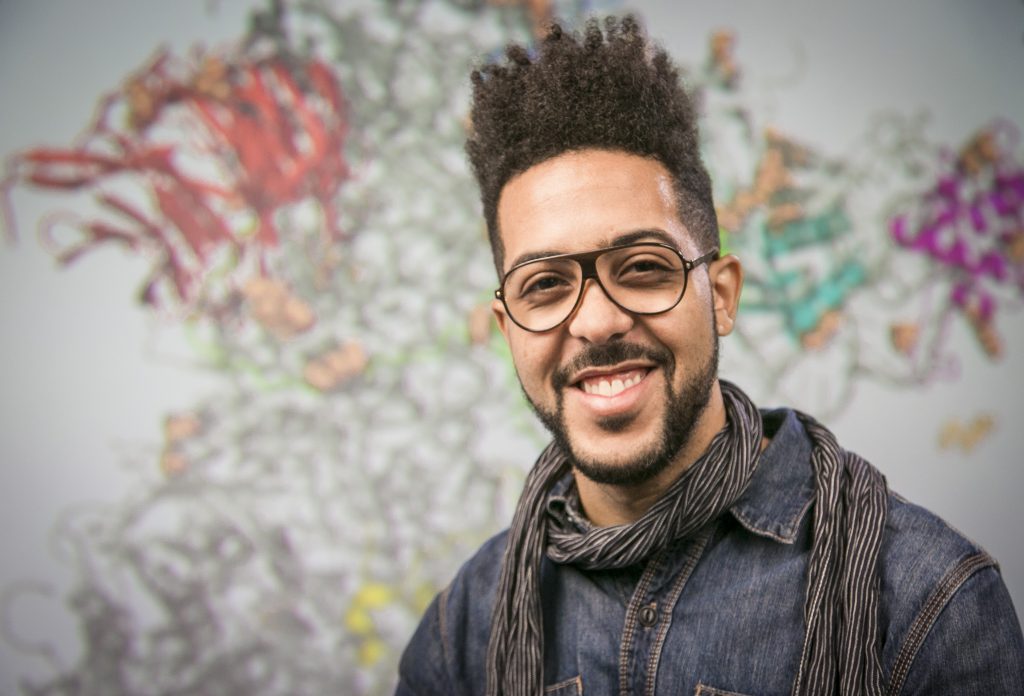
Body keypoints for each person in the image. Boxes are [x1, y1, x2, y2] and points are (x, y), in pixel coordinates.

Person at [396, 16, 1024, 696]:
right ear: (508, 325)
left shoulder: (926, 604)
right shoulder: (461, 635)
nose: (598, 321)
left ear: (720, 295)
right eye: (544, 286)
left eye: (641, 267)